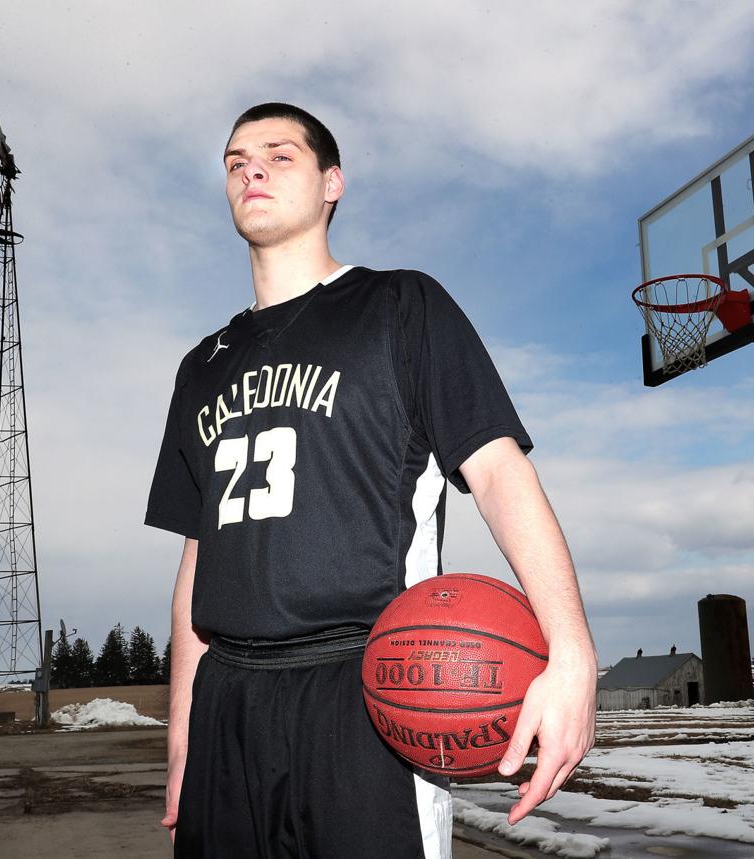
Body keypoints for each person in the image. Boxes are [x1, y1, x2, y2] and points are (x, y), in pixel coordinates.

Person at [145, 102, 597, 858]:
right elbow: (198, 559)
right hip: (226, 699)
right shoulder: (202, 366)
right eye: (235, 161)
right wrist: (184, 735)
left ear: (333, 184)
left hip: (366, 694)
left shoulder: (400, 305)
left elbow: (498, 473)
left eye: (279, 154)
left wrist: (572, 652)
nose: (250, 168)